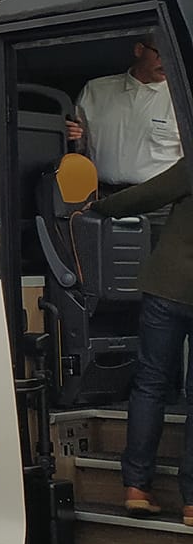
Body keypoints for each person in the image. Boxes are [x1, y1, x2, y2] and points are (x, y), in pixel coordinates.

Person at [91, 157, 193, 524]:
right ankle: (192, 503)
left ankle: (136, 487)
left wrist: (97, 206)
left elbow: (144, 196)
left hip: (166, 288)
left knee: (150, 384)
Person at [67, 37, 182, 186]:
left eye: (173, 55)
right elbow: (77, 146)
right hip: (100, 193)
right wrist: (69, 134)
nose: (167, 61)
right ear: (139, 50)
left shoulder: (182, 96)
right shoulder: (96, 90)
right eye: (162, 53)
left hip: (159, 197)